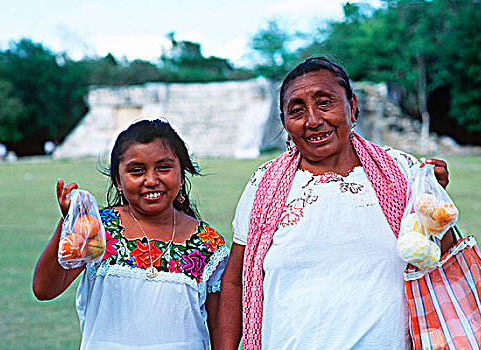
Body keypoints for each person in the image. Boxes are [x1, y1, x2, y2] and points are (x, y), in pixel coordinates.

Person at [218, 57, 453, 350]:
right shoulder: (263, 185)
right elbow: (235, 283)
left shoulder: (401, 172)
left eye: (325, 102)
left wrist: (434, 202)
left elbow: (442, 262)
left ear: (352, 106)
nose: (313, 120)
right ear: (284, 122)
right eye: (297, 110)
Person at [33, 119, 229, 349]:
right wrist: (70, 221)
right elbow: (44, 289)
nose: (151, 180)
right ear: (118, 180)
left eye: (163, 168)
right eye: (136, 171)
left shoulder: (206, 242)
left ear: (181, 174)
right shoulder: (98, 229)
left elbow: (218, 325)